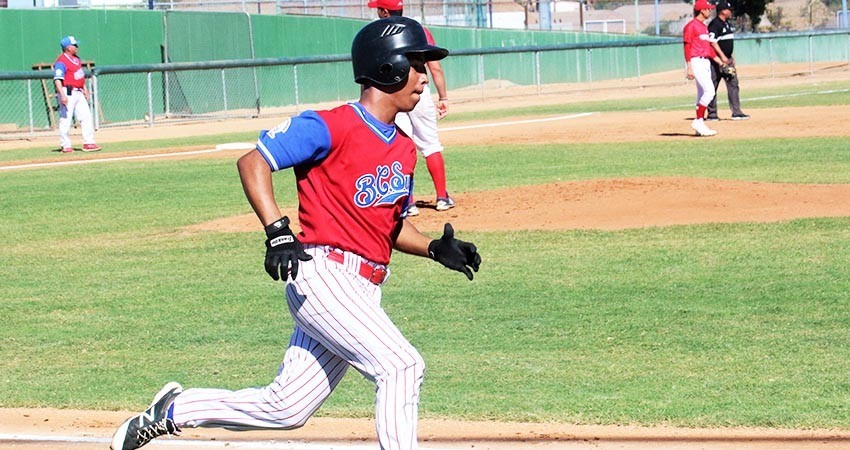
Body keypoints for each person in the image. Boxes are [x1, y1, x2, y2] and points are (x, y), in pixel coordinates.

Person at [110, 16, 481, 450]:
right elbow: (253, 162)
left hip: (364, 288)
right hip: (323, 276)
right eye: (416, 64)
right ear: (387, 67)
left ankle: (176, 409)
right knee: (401, 366)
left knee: (286, 408)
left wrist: (435, 248)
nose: (425, 77)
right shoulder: (333, 124)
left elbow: (390, 224)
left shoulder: (402, 146)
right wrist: (278, 232)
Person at [368, 0, 454, 216]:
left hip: (391, 93)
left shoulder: (377, 33)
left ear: (384, 11)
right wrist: (443, 97)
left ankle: (408, 203)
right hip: (419, 91)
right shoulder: (419, 30)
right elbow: (435, 67)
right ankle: (442, 197)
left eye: (377, 8)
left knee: (400, 144)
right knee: (431, 144)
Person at [682, 0, 727, 137]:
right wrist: (689, 66)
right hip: (696, 61)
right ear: (702, 10)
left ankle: (699, 125)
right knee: (710, 91)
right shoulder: (691, 26)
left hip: (705, 61)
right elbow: (687, 46)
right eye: (708, 9)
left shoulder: (703, 27)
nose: (710, 11)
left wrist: (719, 61)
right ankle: (698, 120)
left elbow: (707, 48)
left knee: (702, 94)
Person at [53, 36, 101, 153]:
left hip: (78, 91)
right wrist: (62, 95)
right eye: (75, 45)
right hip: (67, 91)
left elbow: (79, 76)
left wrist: (84, 88)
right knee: (66, 119)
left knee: (86, 116)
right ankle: (65, 145)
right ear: (68, 48)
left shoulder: (76, 59)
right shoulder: (61, 61)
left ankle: (89, 143)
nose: (77, 47)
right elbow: (57, 79)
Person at [706, 0, 750, 121]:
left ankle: (736, 112)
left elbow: (727, 42)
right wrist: (722, 56)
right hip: (716, 61)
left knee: (733, 85)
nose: (730, 12)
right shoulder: (715, 24)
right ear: (723, 11)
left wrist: (731, 56)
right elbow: (712, 42)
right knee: (712, 87)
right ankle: (712, 114)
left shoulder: (726, 24)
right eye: (729, 10)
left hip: (728, 60)